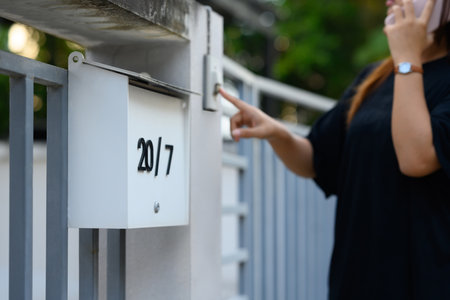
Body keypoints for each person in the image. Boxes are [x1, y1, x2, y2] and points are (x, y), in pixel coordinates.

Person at [219, 0, 450, 299]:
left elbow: (416, 159)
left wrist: (407, 59)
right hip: (356, 282)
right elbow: (316, 160)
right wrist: (278, 134)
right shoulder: (374, 77)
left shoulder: (421, 74)